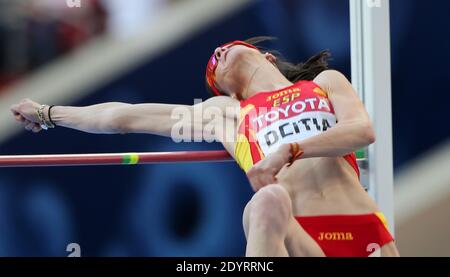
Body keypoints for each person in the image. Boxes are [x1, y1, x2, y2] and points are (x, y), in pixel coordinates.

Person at [10, 37, 399, 257]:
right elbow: (124, 117)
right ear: (225, 90)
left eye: (224, 49)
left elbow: (361, 130)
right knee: (265, 203)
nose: (216, 56)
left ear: (265, 55)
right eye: (212, 71)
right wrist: (49, 113)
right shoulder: (226, 113)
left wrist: (288, 151)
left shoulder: (325, 83)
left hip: (360, 231)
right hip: (299, 239)